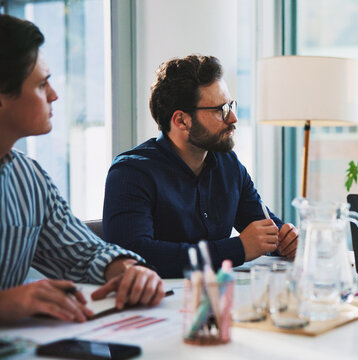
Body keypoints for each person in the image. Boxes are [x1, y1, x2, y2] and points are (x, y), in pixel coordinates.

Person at [0, 14, 165, 323]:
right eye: (41, 84)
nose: (54, 94)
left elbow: (83, 252)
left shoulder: (29, 179)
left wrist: (131, 271)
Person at [103, 55, 298, 278]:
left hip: (220, 299)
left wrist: (288, 239)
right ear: (181, 121)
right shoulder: (131, 173)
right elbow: (133, 256)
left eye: (231, 106)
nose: (233, 118)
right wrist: (238, 249)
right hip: (160, 305)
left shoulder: (229, 165)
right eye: (220, 110)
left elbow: (267, 229)